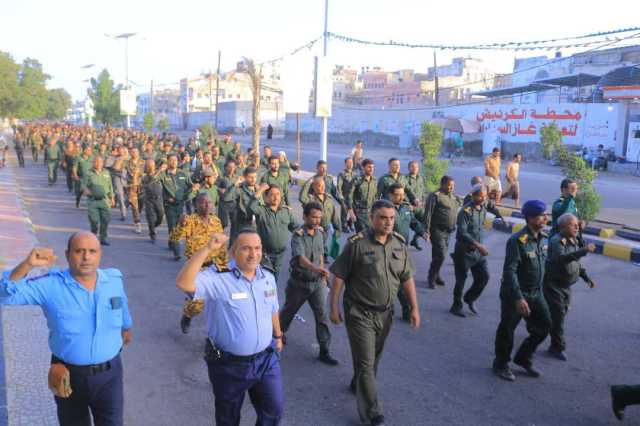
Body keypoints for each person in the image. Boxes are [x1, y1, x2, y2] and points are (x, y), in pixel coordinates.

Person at [0, 232, 132, 426]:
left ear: (99, 254)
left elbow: (122, 306)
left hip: (109, 376)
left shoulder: (113, 280)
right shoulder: (50, 285)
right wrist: (27, 265)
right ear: (68, 254)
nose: (86, 257)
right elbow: (6, 295)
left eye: (92, 251)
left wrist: (126, 326)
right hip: (69, 375)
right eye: (79, 251)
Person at [175, 230, 284, 426]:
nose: (253, 254)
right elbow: (184, 282)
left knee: (273, 411)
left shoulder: (267, 276)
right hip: (229, 365)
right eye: (246, 248)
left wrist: (278, 335)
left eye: (257, 248)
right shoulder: (219, 278)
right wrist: (208, 248)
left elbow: (273, 308)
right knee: (228, 418)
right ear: (234, 252)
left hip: (266, 359)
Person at [329, 199, 420, 426]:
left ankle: (358, 383)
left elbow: (407, 278)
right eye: (382, 217)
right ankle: (372, 413)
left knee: (373, 358)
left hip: (386, 314)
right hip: (360, 312)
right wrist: (334, 307)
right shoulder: (357, 244)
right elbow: (339, 276)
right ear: (372, 218)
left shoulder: (399, 244)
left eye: (391, 218)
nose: (388, 222)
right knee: (367, 363)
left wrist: (414, 308)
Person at [493, 200, 551, 382]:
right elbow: (509, 271)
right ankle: (501, 364)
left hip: (536, 292)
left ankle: (523, 357)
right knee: (507, 329)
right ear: (532, 218)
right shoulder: (517, 241)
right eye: (542, 216)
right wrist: (518, 298)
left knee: (544, 326)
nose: (545, 218)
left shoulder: (544, 238)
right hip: (515, 294)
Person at [279, 201, 338, 366]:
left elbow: (320, 256)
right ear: (305, 216)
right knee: (288, 313)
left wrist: (323, 276)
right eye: (313, 217)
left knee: (322, 317)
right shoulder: (298, 235)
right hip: (299, 283)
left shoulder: (320, 233)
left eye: (319, 217)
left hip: (317, 283)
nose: (317, 221)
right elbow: (300, 258)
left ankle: (324, 350)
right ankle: (276, 338)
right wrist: (316, 268)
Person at [170, 193, 228, 334]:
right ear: (196, 205)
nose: (207, 205)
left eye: (209, 202)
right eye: (203, 203)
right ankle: (187, 315)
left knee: (222, 300)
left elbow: (221, 245)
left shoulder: (216, 221)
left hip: (215, 266)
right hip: (197, 268)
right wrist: (180, 224)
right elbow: (174, 238)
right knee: (197, 304)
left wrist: (225, 266)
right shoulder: (190, 221)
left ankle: (218, 333)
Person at [544, 213, 596, 361]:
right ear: (563, 226)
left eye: (577, 225)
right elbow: (562, 259)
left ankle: (537, 322)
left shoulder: (573, 239)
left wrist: (587, 278)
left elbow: (576, 262)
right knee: (559, 316)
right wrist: (585, 250)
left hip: (566, 286)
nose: (577, 227)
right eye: (573, 225)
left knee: (560, 313)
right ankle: (556, 347)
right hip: (554, 285)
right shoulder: (556, 241)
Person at [450, 184, 502, 317]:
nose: (483, 198)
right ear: (473, 196)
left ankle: (470, 298)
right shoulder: (465, 211)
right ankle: (456, 306)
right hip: (464, 250)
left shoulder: (484, 205)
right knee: (461, 280)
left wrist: (499, 216)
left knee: (484, 276)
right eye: (480, 196)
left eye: (484, 196)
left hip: (478, 252)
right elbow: (462, 232)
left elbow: (491, 206)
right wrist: (478, 245)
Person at [387, 183, 428, 321]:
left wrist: (422, 233)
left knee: (399, 280)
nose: (401, 196)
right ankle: (402, 308)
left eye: (402, 194)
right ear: (390, 195)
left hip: (402, 248)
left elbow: (413, 222)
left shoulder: (405, 207)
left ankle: (403, 309)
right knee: (396, 280)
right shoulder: (384, 208)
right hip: (388, 248)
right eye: (397, 194)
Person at [247, 184, 298, 281]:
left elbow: (296, 227)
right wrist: (260, 190)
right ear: (266, 197)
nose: (275, 197)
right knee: (263, 279)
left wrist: (312, 228)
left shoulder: (286, 211)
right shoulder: (261, 211)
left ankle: (271, 295)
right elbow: (251, 208)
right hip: (265, 254)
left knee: (274, 280)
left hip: (280, 255)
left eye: (278, 194)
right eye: (272, 194)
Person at [424, 175, 461, 289]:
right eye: (449, 185)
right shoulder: (435, 196)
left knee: (438, 255)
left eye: (453, 186)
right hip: (437, 230)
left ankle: (437, 275)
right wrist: (426, 230)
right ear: (442, 184)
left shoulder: (454, 197)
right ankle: (431, 277)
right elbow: (428, 214)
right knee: (441, 254)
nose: (451, 188)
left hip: (448, 231)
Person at [158, 153, 193, 260]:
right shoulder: (163, 175)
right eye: (171, 160)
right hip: (169, 206)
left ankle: (171, 242)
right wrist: (159, 170)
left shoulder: (183, 174)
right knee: (173, 227)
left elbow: (190, 187)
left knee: (178, 226)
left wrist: (186, 197)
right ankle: (177, 253)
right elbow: (153, 182)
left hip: (180, 205)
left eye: (175, 160)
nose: (173, 162)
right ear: (167, 161)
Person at [300, 176, 341, 259]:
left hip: (325, 230)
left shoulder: (329, 199)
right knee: (313, 251)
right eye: (319, 185)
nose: (321, 187)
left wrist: (338, 229)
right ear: (314, 187)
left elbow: (334, 215)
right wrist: (308, 182)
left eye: (323, 185)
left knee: (321, 247)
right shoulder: (311, 199)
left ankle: (321, 259)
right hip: (314, 229)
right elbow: (302, 198)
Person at [83, 156, 115, 246]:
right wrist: (86, 190)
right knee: (94, 220)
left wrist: (112, 198)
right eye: (96, 161)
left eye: (100, 162)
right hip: (92, 201)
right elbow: (83, 185)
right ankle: (93, 236)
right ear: (93, 163)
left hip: (104, 201)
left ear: (102, 163)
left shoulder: (106, 172)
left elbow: (110, 186)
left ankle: (103, 238)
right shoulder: (88, 173)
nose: (98, 163)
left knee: (105, 220)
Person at [347, 159, 377, 232]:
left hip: (370, 213)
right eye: (369, 167)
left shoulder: (374, 180)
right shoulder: (357, 180)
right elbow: (349, 196)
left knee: (371, 234)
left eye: (372, 167)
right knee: (362, 235)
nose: (371, 169)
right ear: (363, 168)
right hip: (359, 213)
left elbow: (375, 196)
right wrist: (351, 212)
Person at [404, 160, 427, 250]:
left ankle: (415, 240)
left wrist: (424, 201)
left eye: (416, 167)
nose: (414, 168)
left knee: (425, 224)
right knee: (409, 225)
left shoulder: (421, 178)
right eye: (412, 166)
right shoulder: (405, 178)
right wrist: (408, 204)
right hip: (410, 207)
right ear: (409, 168)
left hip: (420, 207)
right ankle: (403, 245)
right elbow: (404, 193)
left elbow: (424, 191)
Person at [141, 159, 164, 243]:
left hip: (159, 198)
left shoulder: (160, 173)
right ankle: (152, 234)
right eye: (148, 165)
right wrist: (159, 171)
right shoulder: (144, 176)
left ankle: (153, 226)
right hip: (148, 199)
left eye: (151, 165)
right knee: (150, 217)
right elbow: (151, 180)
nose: (150, 167)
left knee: (160, 215)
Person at [125, 148, 144, 234]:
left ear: (138, 153)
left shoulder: (143, 162)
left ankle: (137, 216)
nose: (134, 153)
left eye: (136, 152)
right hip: (131, 186)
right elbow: (128, 173)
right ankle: (138, 223)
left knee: (141, 204)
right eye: (132, 152)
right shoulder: (127, 163)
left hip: (142, 186)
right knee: (134, 205)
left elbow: (147, 171)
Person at [337, 157, 357, 232]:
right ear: (345, 164)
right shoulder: (342, 174)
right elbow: (339, 186)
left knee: (354, 211)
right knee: (344, 212)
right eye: (348, 162)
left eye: (351, 162)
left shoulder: (355, 174)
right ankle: (344, 226)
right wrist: (341, 196)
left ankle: (350, 223)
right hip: (345, 196)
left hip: (353, 197)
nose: (350, 164)